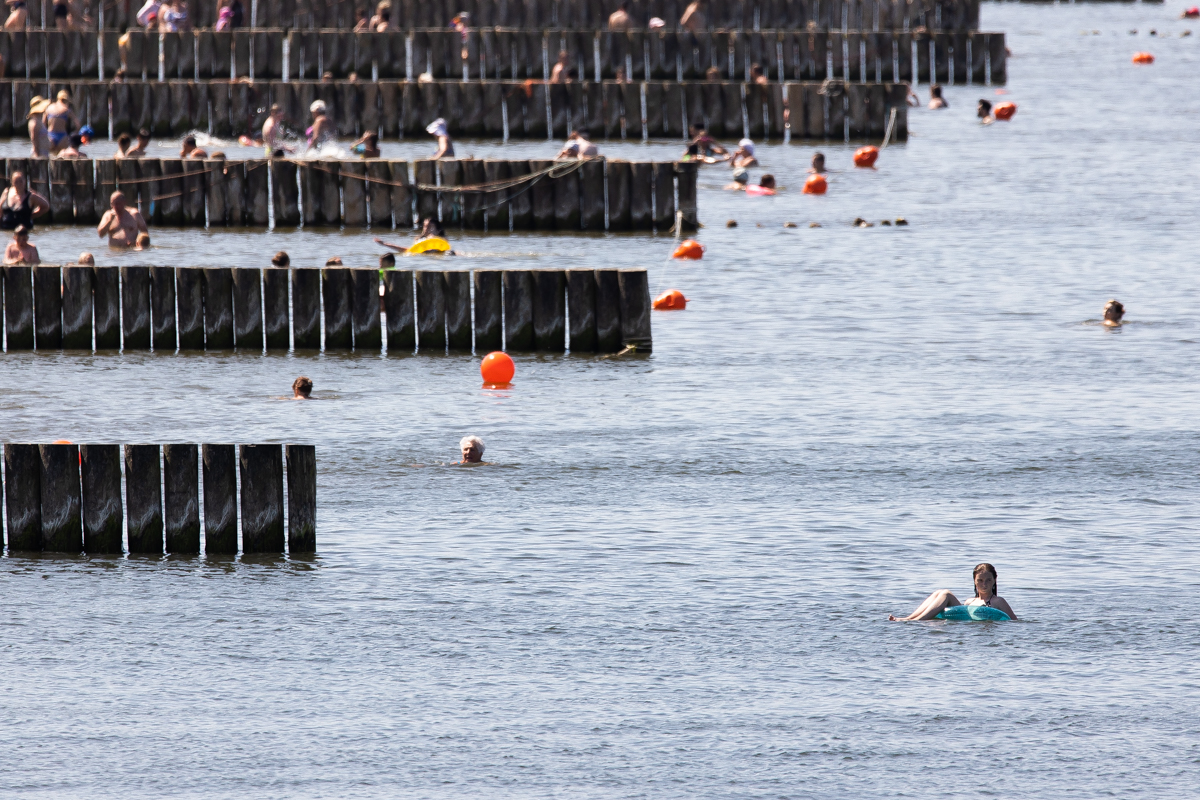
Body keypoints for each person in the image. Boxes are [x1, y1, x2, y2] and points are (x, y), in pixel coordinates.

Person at [889, 563, 1017, 621]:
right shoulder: (970, 601)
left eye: (988, 580)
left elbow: (1014, 622)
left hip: (979, 618)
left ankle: (913, 621)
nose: (984, 584)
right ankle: (910, 618)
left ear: (995, 580)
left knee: (946, 594)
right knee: (939, 592)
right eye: (980, 580)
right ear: (974, 581)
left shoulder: (998, 601)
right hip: (966, 619)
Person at [43, 90, 80, 155]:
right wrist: (72, 135)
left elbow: (43, 123)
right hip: (62, 136)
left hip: (50, 135)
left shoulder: (49, 108)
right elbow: (78, 125)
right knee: (61, 158)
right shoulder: (67, 109)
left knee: (51, 158)